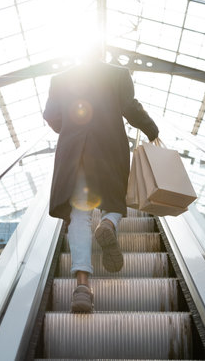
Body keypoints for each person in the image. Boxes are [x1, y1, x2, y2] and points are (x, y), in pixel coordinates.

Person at [43, 47, 159, 313]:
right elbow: (130, 108)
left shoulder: (60, 79)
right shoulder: (118, 74)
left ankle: (82, 287)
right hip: (109, 146)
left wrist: (69, 126)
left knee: (78, 215)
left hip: (74, 152)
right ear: (102, 53)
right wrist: (152, 129)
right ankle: (108, 222)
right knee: (115, 199)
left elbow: (51, 116)